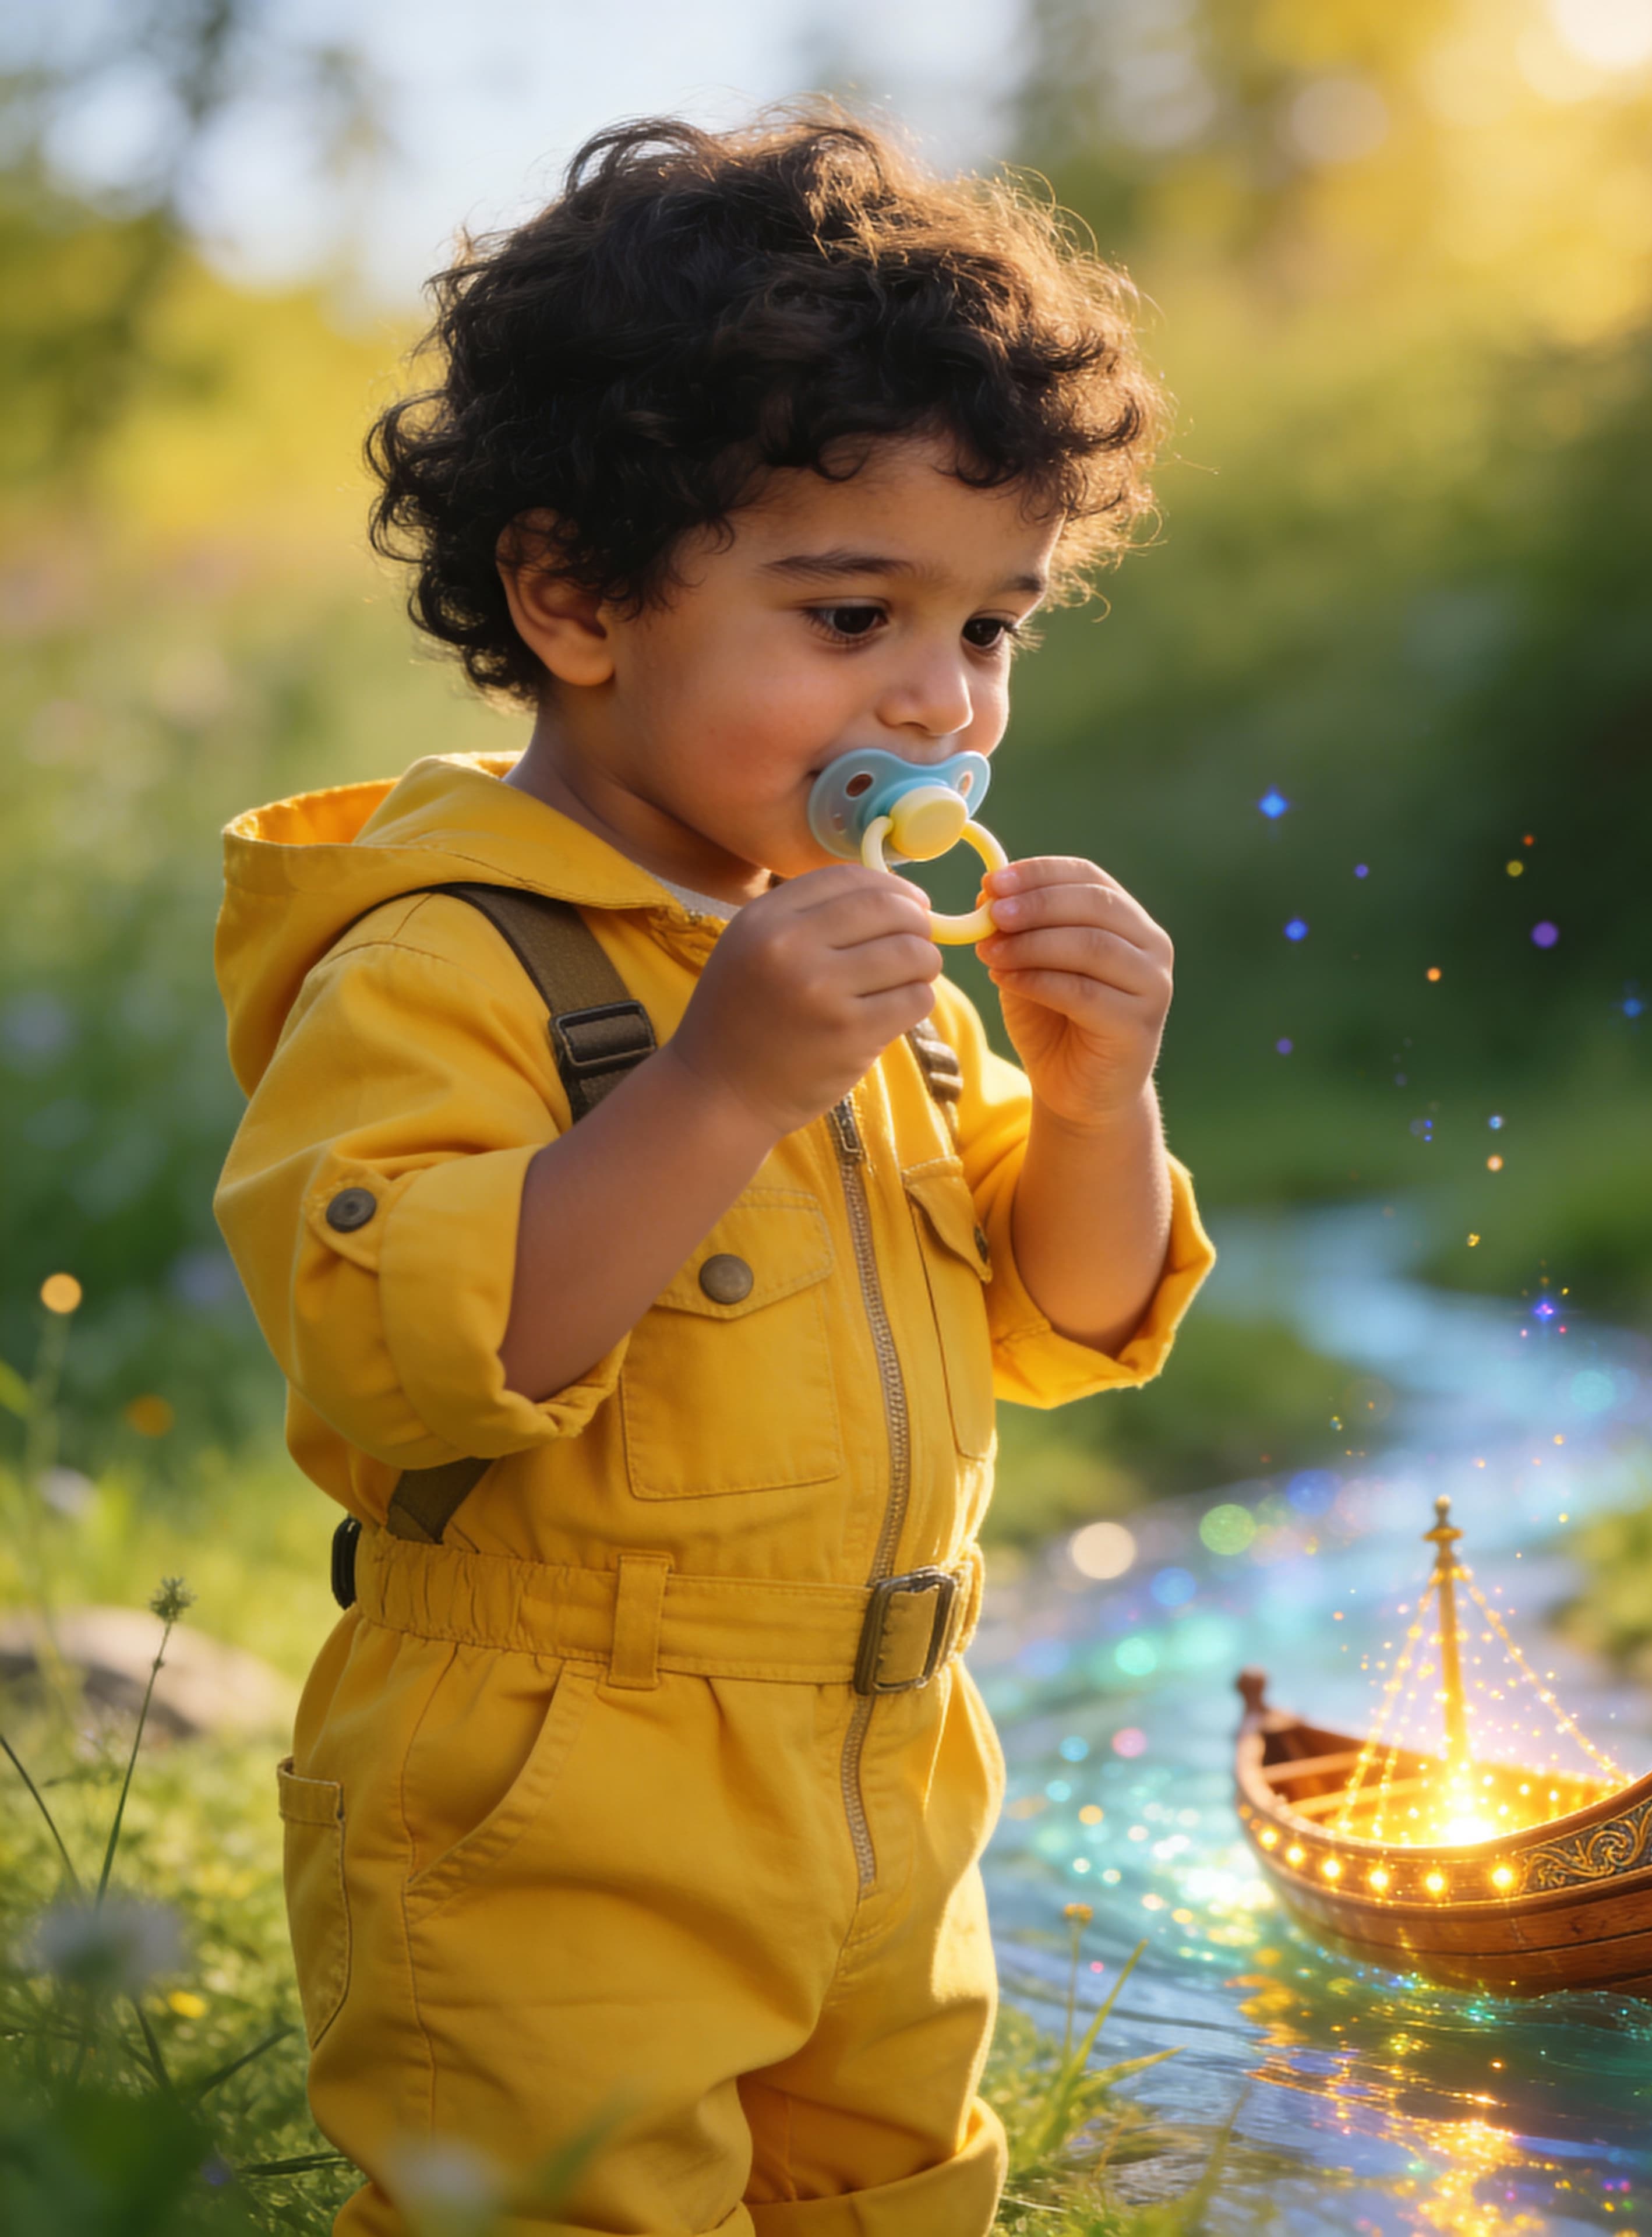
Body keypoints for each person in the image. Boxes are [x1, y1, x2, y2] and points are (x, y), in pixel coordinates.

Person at [212, 111, 1212, 2237]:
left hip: (888, 1776)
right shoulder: (440, 960)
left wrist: (1098, 1096)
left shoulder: (867, 967)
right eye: (853, 613)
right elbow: (418, 1366)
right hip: (551, 1803)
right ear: (574, 595)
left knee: (904, 2196)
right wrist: (718, 1086)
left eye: (994, 629)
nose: (939, 702)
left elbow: (1066, 1321)